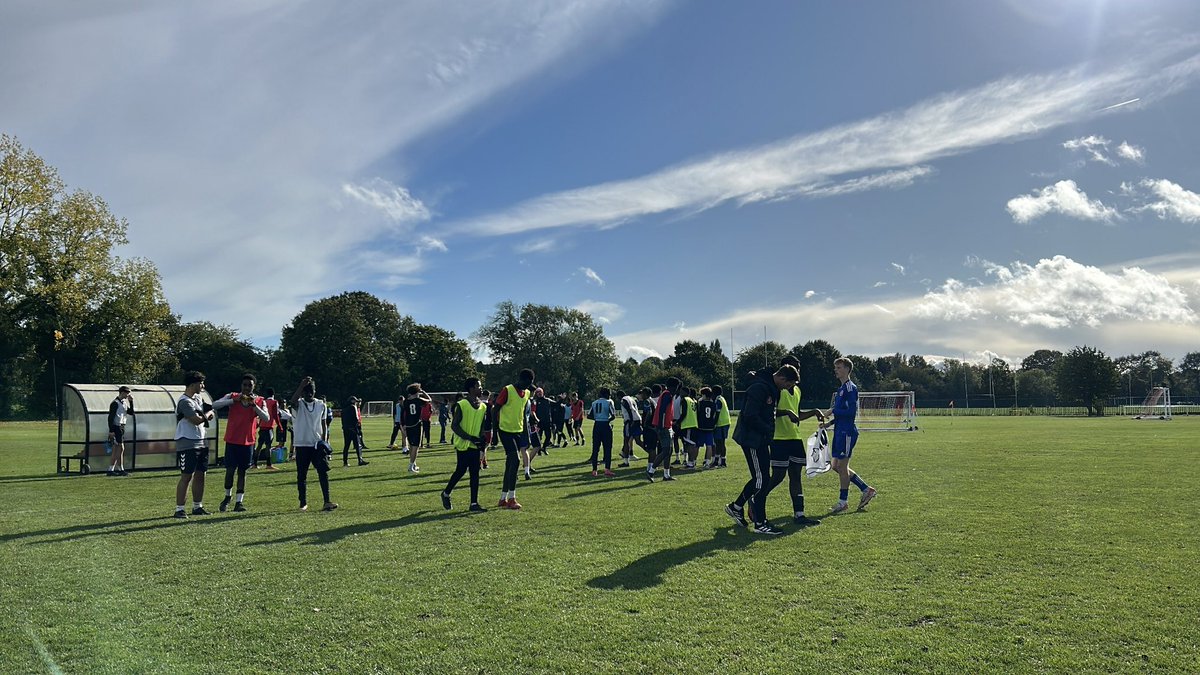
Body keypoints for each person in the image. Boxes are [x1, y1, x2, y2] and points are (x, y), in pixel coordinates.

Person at [725, 365, 800, 535]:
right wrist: (766, 429)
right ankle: (760, 522)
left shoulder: (770, 388)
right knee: (761, 480)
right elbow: (750, 415)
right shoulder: (760, 388)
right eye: (788, 385)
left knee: (763, 478)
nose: (788, 389)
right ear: (781, 378)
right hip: (752, 439)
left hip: (761, 439)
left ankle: (736, 507)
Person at [765, 356, 823, 526]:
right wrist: (787, 412)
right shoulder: (775, 388)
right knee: (777, 476)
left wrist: (814, 412)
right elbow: (769, 411)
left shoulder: (796, 390)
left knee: (796, 476)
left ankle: (799, 514)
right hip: (778, 438)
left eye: (798, 367)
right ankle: (756, 499)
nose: (797, 371)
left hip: (794, 438)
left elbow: (797, 415)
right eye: (793, 367)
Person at [820, 357, 877, 513]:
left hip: (847, 432)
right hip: (839, 430)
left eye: (839, 367)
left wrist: (833, 411)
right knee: (835, 466)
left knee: (842, 467)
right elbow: (841, 415)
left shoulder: (851, 388)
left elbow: (851, 412)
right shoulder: (841, 389)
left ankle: (843, 502)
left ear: (847, 369)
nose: (836, 370)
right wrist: (829, 424)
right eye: (836, 367)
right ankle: (866, 489)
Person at [212, 373, 271, 512]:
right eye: (244, 385)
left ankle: (239, 501)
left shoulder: (260, 400)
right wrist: (234, 401)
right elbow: (214, 404)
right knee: (230, 470)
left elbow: (266, 418)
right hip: (232, 440)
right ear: (241, 386)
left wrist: (254, 406)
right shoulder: (232, 396)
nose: (246, 388)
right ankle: (227, 497)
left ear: (254, 386)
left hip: (248, 442)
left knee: (243, 472)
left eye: (249, 385)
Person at [289, 377, 338, 511]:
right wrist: (301, 385)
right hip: (302, 444)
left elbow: (324, 424)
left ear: (315, 391)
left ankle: (327, 501)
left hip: (317, 445)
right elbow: (292, 402)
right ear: (302, 392)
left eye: (311, 390)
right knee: (302, 475)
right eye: (306, 391)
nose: (309, 393)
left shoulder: (321, 404)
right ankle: (303, 502)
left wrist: (325, 442)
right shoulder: (298, 404)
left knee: (323, 472)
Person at [441, 377, 488, 513]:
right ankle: (446, 493)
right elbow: (455, 426)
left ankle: (474, 503)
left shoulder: (483, 406)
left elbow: (481, 426)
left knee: (475, 472)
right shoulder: (462, 404)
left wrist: (481, 439)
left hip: (475, 445)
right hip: (463, 444)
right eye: (478, 386)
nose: (480, 388)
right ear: (471, 388)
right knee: (461, 470)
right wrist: (469, 437)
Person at [492, 368, 535, 509]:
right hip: (505, 431)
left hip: (518, 431)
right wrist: (494, 430)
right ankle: (512, 498)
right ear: (521, 379)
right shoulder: (508, 390)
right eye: (528, 382)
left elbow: (523, 414)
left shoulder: (527, 393)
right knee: (515, 460)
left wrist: (526, 434)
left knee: (509, 464)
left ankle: (503, 498)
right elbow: (495, 409)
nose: (529, 386)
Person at [174, 371, 214, 518]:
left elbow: (209, 408)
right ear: (193, 384)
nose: (203, 386)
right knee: (186, 476)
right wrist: (209, 415)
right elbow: (195, 420)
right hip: (187, 442)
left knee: (201, 474)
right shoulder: (184, 401)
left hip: (201, 441)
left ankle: (198, 506)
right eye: (201, 383)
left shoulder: (197, 398)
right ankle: (179, 509)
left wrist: (208, 411)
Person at [647, 378, 682, 482]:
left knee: (669, 451)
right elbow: (662, 410)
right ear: (673, 387)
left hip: (667, 425)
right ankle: (651, 471)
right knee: (666, 450)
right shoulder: (667, 394)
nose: (677, 390)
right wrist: (662, 425)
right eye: (676, 387)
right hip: (663, 426)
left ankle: (666, 475)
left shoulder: (666, 394)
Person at [401, 384, 433, 473]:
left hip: (408, 425)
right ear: (417, 391)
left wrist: (403, 425)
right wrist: (423, 392)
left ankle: (413, 464)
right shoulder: (419, 400)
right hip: (416, 425)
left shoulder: (406, 401)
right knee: (416, 446)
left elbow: (404, 414)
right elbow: (429, 400)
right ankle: (411, 466)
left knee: (411, 445)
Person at [588, 388, 617, 477]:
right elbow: (613, 415)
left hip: (597, 425)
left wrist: (597, 419)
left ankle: (594, 470)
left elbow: (589, 415)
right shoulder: (609, 402)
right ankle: (607, 469)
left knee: (595, 448)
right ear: (607, 394)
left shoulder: (594, 403)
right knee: (607, 448)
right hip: (605, 425)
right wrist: (607, 420)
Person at [107, 385, 134, 476]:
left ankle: (114, 469)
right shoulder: (115, 403)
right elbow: (110, 417)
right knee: (119, 448)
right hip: (116, 427)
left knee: (118, 448)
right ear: (122, 392)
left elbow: (131, 413)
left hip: (122, 427)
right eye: (127, 393)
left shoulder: (124, 403)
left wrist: (131, 402)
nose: (128, 395)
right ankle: (116, 469)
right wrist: (111, 430)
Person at [252, 387, 279, 470]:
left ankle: (254, 463)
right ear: (273, 394)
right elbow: (275, 415)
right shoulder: (274, 402)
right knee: (268, 446)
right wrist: (280, 426)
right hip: (269, 427)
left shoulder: (263, 402)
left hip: (262, 427)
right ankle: (268, 464)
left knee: (259, 445)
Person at [617, 388, 643, 467]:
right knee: (638, 441)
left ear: (619, 396)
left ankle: (626, 462)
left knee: (626, 441)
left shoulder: (624, 400)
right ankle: (652, 453)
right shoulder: (631, 398)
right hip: (637, 419)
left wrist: (631, 419)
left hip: (630, 421)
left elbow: (628, 409)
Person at [341, 396, 368, 466]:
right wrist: (357, 428)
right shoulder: (353, 407)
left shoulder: (344, 409)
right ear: (352, 401)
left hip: (346, 429)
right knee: (358, 445)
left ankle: (345, 462)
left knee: (346, 446)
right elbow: (356, 419)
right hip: (353, 429)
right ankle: (360, 460)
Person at [695, 388, 718, 469]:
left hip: (701, 427)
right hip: (710, 427)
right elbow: (715, 415)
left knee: (697, 445)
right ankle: (707, 463)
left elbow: (697, 413)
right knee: (709, 445)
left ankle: (693, 462)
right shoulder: (713, 404)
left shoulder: (700, 403)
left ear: (704, 395)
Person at [677, 388, 699, 468]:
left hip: (688, 424)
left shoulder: (684, 400)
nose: (680, 393)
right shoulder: (692, 400)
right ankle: (692, 462)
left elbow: (684, 413)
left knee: (690, 444)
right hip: (693, 424)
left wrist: (678, 422)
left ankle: (690, 463)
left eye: (681, 391)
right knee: (691, 444)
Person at [712, 385, 732, 468]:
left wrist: (714, 423)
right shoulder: (722, 398)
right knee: (720, 442)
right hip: (725, 422)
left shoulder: (718, 400)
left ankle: (721, 461)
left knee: (719, 442)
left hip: (721, 423)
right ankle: (720, 461)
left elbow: (717, 413)